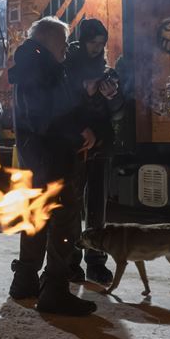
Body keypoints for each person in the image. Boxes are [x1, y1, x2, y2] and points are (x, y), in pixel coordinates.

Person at [7, 16, 97, 316]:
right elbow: (46, 116)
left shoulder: (33, 65)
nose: (66, 49)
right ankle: (55, 289)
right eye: (63, 41)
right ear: (48, 39)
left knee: (36, 217)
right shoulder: (41, 67)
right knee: (63, 219)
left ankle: (26, 280)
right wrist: (78, 133)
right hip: (52, 159)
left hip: (37, 159)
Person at [63, 18, 124, 285]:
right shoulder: (68, 65)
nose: (97, 48)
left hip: (101, 145)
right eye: (93, 43)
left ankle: (96, 262)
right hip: (76, 144)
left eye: (101, 44)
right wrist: (85, 91)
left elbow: (119, 112)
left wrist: (113, 97)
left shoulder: (106, 69)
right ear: (83, 39)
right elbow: (61, 104)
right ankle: (71, 260)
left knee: (97, 207)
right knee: (72, 206)